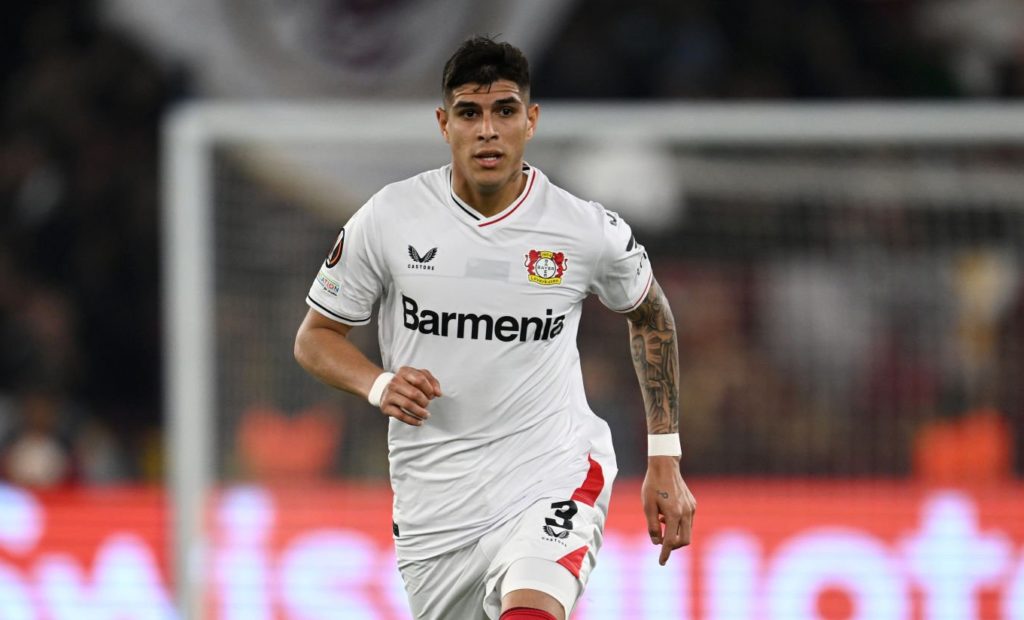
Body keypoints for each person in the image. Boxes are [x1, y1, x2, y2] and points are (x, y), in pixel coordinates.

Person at [294, 35, 696, 620]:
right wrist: (378, 385)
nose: (488, 130)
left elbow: (651, 315)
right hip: (435, 510)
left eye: (505, 111)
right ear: (444, 124)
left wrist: (665, 456)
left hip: (552, 474)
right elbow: (314, 338)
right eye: (469, 113)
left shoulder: (582, 230)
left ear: (530, 121)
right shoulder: (389, 218)